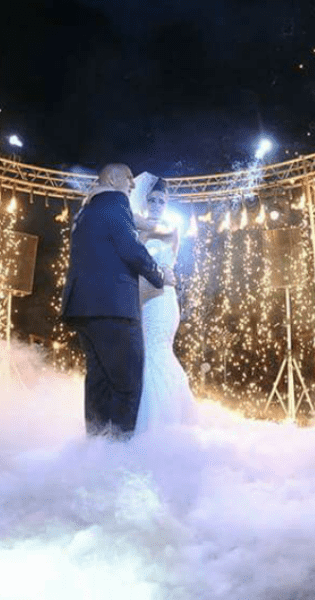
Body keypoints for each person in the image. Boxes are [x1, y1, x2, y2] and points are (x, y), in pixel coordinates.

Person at [61, 163, 175, 438]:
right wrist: (159, 273)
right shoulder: (115, 201)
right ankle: (120, 454)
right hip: (114, 308)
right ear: (112, 178)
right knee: (126, 385)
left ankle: (97, 448)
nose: (132, 186)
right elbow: (130, 249)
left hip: (83, 308)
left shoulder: (86, 211)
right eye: (127, 180)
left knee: (98, 382)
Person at [130, 174, 196, 433]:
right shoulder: (137, 229)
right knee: (144, 353)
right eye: (152, 200)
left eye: (161, 200)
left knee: (157, 352)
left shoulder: (169, 227)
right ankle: (143, 422)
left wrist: (124, 207)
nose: (157, 204)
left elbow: (145, 230)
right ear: (145, 201)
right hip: (140, 298)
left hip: (162, 299)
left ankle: (158, 426)